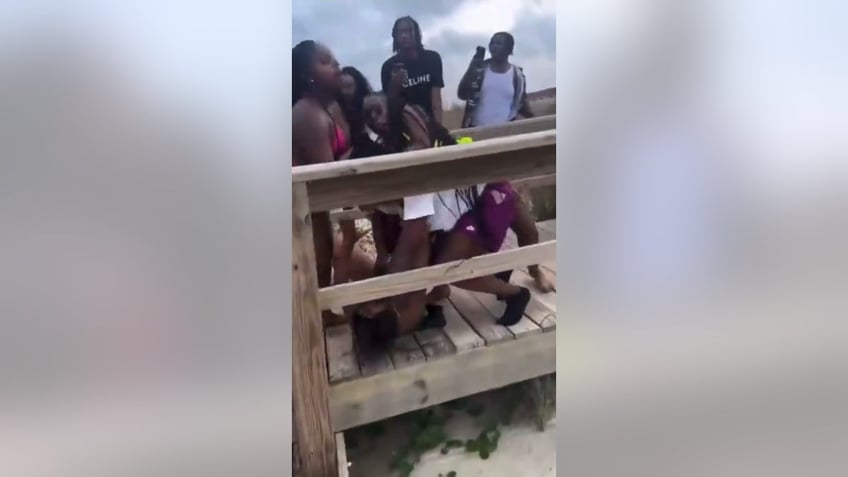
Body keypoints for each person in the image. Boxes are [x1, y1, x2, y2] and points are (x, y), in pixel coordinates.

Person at [353, 92, 532, 347]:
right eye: (368, 115)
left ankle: (516, 294)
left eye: (379, 110)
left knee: (450, 268)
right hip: (463, 207)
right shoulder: (387, 179)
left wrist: (386, 294)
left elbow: (416, 239)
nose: (374, 118)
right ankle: (441, 299)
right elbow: (416, 246)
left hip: (485, 199)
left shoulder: (408, 167)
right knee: (440, 266)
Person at [456, 32, 555, 293]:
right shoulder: (480, 70)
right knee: (474, 214)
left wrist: (540, 131)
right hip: (474, 146)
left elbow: (522, 106)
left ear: (510, 48)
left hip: (504, 149)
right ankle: (478, 276)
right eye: (492, 42)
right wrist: (473, 62)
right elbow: (462, 91)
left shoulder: (517, 75)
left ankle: (533, 269)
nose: (494, 47)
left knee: (518, 214)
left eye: (499, 43)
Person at [291, 40, 358, 324]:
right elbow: (327, 178)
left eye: (334, 58)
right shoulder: (308, 115)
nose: (336, 65)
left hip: (314, 207)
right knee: (315, 262)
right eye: (325, 61)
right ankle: (315, 322)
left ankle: (323, 313)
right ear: (308, 76)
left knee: (329, 257)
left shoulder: (328, 108)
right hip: (300, 206)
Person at [380, 16, 445, 124]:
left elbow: (436, 101)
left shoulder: (432, 59)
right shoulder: (388, 67)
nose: (404, 36)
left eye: (408, 31)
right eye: (400, 32)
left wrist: (439, 128)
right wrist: (395, 85)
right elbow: (389, 105)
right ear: (395, 37)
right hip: (404, 126)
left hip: (430, 121)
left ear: (417, 33)